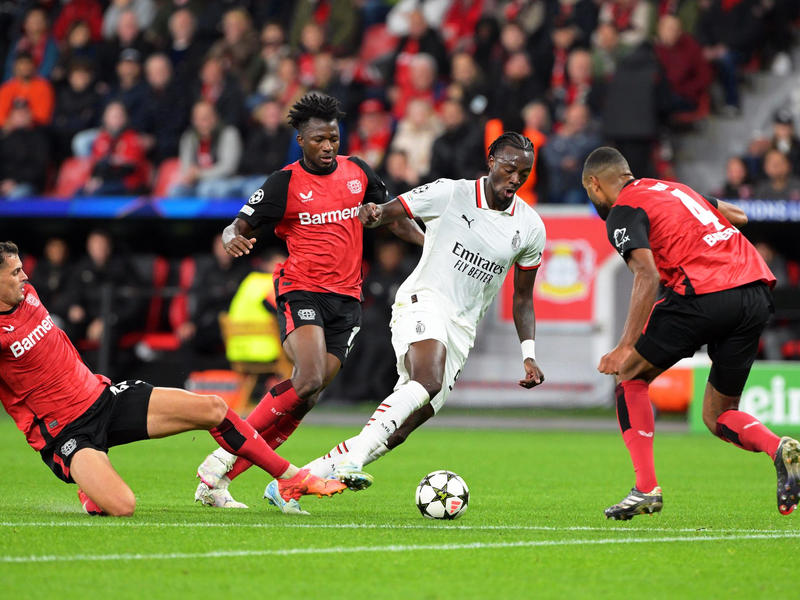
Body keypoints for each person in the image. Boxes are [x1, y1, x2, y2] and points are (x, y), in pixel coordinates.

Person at [270, 132, 548, 514]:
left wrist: (528, 354)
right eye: (509, 168)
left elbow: (522, 297)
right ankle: (353, 460)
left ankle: (291, 484)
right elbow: (390, 210)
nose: (515, 179)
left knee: (400, 429)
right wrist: (374, 213)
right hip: (423, 301)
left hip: (462, 329)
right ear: (491, 161)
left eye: (524, 173)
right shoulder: (451, 193)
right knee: (426, 380)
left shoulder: (531, 227)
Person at [193, 93, 424, 508]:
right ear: (301, 140)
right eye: (318, 139)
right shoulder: (284, 182)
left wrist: (429, 245)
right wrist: (232, 237)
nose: (328, 146)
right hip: (302, 289)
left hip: (347, 299)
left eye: (333, 138)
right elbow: (239, 222)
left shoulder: (358, 172)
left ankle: (219, 479)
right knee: (309, 378)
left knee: (308, 395)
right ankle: (223, 455)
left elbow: (394, 216)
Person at [0, 241, 345, 517]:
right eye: (15, 272)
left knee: (213, 408)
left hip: (104, 398)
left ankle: (289, 478)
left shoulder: (27, 295)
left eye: (22, 270)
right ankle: (88, 480)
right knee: (122, 507)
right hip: (68, 433)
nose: (25, 278)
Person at [581, 146, 800, 520]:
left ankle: (646, 488)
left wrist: (625, 345)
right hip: (754, 291)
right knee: (718, 415)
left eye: (591, 194)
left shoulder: (622, 210)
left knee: (629, 374)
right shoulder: (675, 189)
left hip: (704, 293)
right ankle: (778, 447)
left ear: (595, 184)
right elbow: (739, 215)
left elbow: (647, 275)